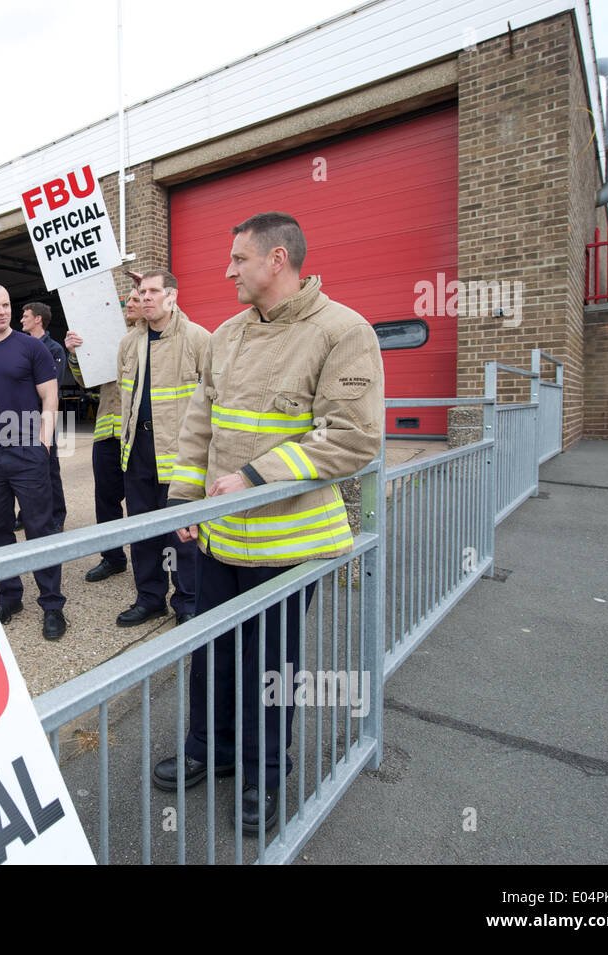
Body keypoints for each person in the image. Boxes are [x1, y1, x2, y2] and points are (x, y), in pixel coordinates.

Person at [153, 212, 384, 835]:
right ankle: (211, 749)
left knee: (269, 666)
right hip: (220, 535)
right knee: (212, 649)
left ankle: (263, 771)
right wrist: (183, 497)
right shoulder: (226, 335)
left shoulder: (342, 331)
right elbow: (201, 418)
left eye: (238, 259)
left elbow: (354, 437)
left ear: (276, 260)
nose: (227, 270)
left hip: (290, 541)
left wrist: (255, 477)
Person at [0, 283, 66, 640]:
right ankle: (9, 596)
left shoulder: (32, 348)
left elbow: (49, 397)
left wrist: (43, 445)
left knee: (41, 528)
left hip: (27, 451)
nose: (3, 311)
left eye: (7, 304)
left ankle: (52, 604)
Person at [115, 269, 210, 628]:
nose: (145, 297)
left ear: (172, 297)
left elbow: (218, 397)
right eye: (142, 291)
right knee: (142, 531)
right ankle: (149, 599)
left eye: (154, 291)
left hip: (180, 454)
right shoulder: (129, 343)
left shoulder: (198, 338)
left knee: (182, 532)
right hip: (138, 451)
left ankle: (187, 600)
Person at [64, 285, 142, 582]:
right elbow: (87, 381)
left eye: (138, 298)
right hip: (106, 434)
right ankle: (112, 558)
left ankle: (150, 562)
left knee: (140, 501)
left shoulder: (153, 338)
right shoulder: (112, 339)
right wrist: (75, 355)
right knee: (106, 500)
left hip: (137, 435)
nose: (131, 304)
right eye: (130, 300)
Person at [18, 301, 67, 533]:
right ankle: (25, 513)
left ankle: (57, 515)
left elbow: (52, 387)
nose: (21, 320)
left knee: (48, 467)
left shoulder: (54, 349)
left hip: (43, 415)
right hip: (19, 417)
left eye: (25, 316)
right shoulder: (19, 346)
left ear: (38, 319)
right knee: (22, 468)